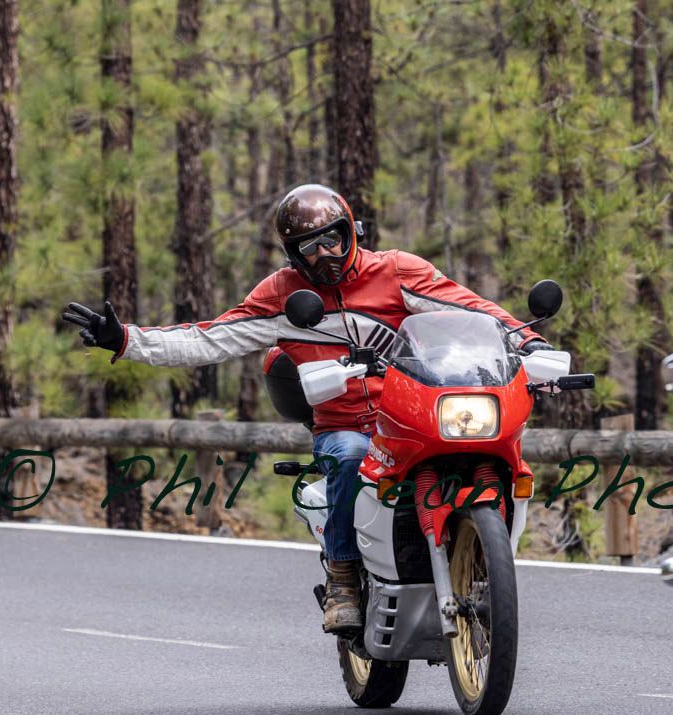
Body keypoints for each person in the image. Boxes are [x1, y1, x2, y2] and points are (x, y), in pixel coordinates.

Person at [63, 183, 551, 634]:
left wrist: (526, 342)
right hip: (345, 424)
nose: (324, 255)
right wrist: (127, 340)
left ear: (350, 231)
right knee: (347, 455)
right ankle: (342, 577)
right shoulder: (283, 294)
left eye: (331, 240)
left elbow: (471, 309)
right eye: (308, 247)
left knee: (480, 444)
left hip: (409, 415)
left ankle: (487, 561)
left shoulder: (397, 271)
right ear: (292, 253)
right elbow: (209, 339)